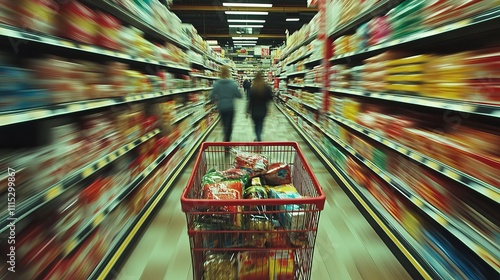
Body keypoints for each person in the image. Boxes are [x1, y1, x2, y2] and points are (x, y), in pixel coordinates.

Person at [210, 65, 242, 142]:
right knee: (230, 124)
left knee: (224, 124)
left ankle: (225, 137)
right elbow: (239, 95)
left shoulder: (217, 84)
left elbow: (211, 96)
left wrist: (215, 99)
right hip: (230, 107)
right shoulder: (233, 83)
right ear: (228, 73)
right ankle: (228, 139)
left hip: (221, 107)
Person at [247, 71, 273, 142]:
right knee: (260, 123)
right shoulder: (266, 87)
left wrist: (247, 110)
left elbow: (250, 101)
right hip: (263, 109)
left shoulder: (253, 88)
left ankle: (257, 136)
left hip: (254, 110)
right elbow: (270, 98)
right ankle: (259, 136)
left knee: (255, 124)